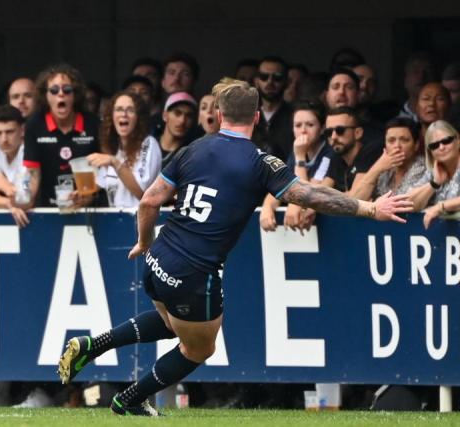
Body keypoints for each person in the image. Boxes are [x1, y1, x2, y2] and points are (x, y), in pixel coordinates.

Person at [57, 78, 412, 416]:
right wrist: (368, 207)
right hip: (194, 273)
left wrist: (144, 241)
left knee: (173, 322)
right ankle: (130, 399)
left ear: (221, 115)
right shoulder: (260, 162)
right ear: (257, 117)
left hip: (159, 257)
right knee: (199, 347)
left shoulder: (192, 149)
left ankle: (94, 346)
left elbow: (149, 201)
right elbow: (311, 195)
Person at [23, 63, 100, 208]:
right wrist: (25, 200)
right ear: (45, 96)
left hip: (90, 208)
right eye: (53, 90)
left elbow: (105, 169)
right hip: (48, 208)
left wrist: (90, 194)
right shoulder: (35, 125)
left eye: (67, 89)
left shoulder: (92, 123)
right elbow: (33, 174)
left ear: (75, 95)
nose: (61, 94)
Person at [259, 101, 332, 232]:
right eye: (298, 125)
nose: (303, 130)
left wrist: (300, 157)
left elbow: (308, 195)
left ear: (322, 128)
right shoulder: (296, 151)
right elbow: (280, 186)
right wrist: (267, 206)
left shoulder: (329, 153)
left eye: (310, 125)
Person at [89, 91, 161, 208]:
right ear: (111, 117)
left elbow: (142, 193)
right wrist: (80, 197)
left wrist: (115, 163)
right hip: (116, 221)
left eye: (130, 110)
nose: (124, 114)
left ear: (139, 117)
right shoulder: (114, 149)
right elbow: (98, 187)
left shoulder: (148, 143)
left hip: (140, 221)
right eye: (119, 109)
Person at [350, 118, 426, 201]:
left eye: (404, 140)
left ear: (416, 145)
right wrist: (376, 169)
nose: (397, 146)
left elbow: (402, 204)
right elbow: (355, 201)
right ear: (385, 145)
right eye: (391, 140)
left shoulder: (424, 168)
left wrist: (374, 203)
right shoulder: (384, 167)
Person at [0, 105, 29, 227]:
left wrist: (5, 186)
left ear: (22, 130)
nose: (4, 139)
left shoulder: (29, 149)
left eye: (10, 132)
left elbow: (25, 200)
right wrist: (8, 202)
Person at [406, 120, 460, 229]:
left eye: (446, 141)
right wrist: (434, 184)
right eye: (434, 145)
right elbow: (408, 204)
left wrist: (440, 207)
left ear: (458, 141)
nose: (441, 147)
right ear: (430, 151)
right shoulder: (433, 171)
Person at [158, 92, 196, 168]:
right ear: (165, 116)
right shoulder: (147, 144)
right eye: (177, 113)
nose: (182, 120)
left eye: (189, 116)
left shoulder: (192, 156)